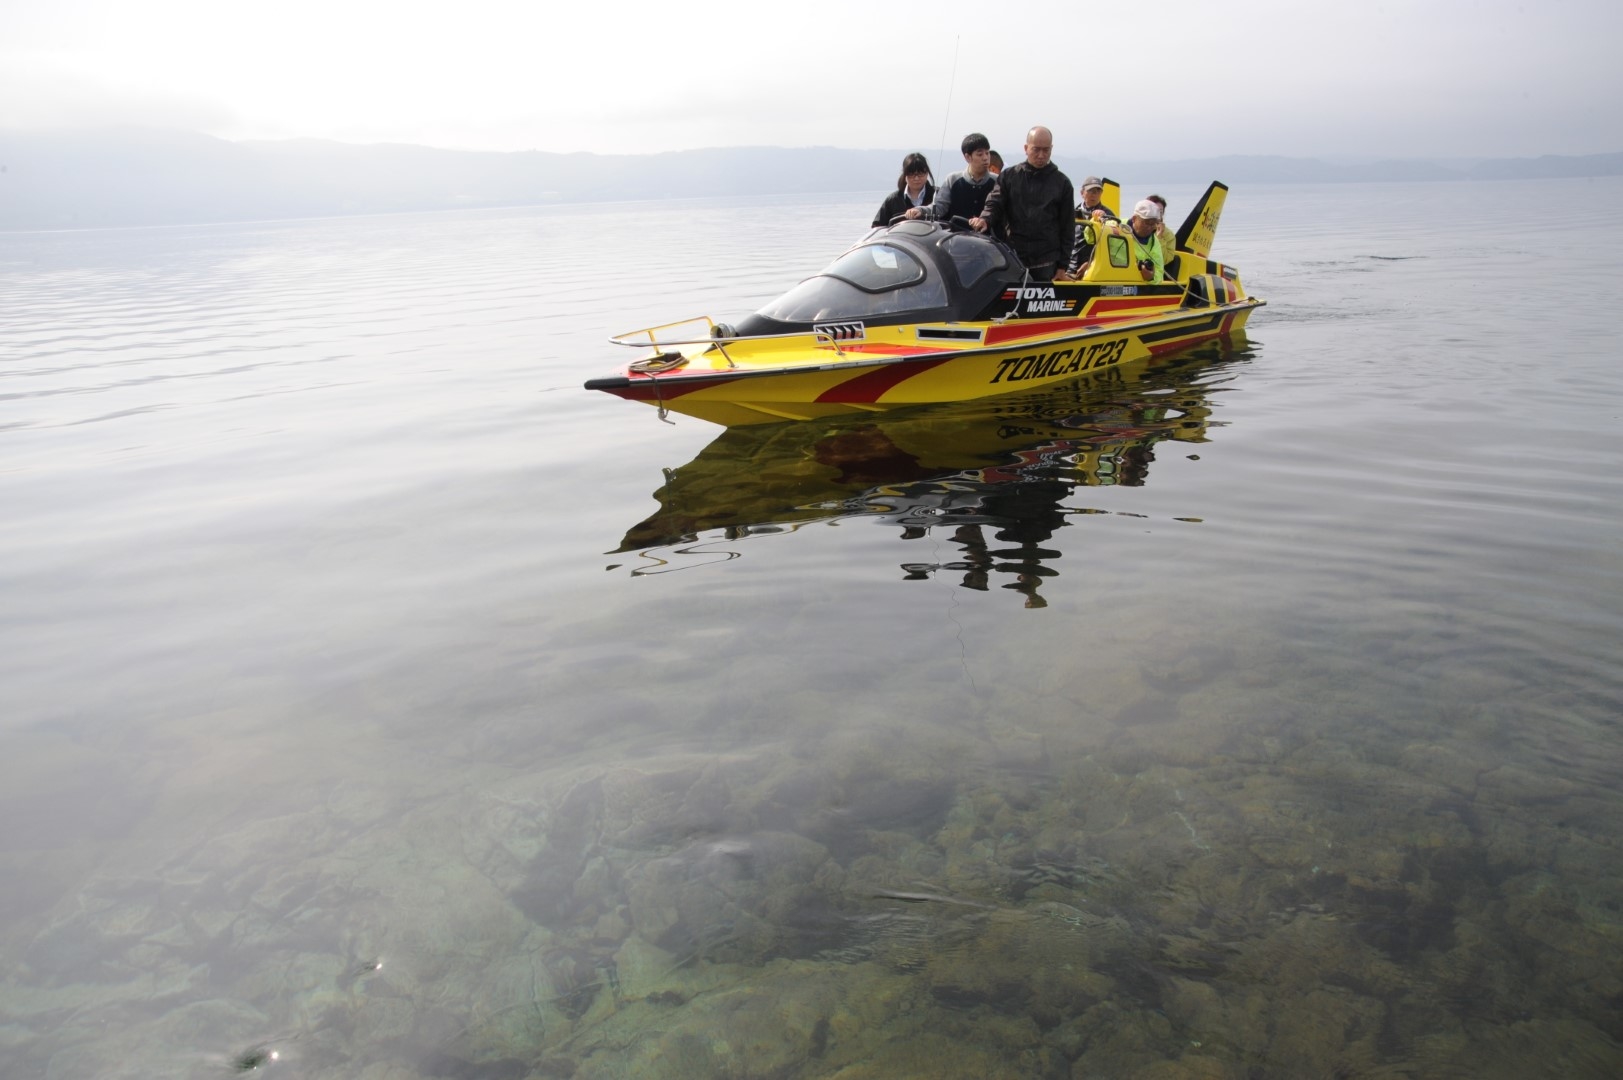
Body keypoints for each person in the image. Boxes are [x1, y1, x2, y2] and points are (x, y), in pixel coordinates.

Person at [970, 126, 1076, 282]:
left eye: (1046, 150)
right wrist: (985, 219)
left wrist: (1063, 266)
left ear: (1051, 149)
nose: (1041, 155)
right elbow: (995, 202)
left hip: (1047, 262)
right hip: (1014, 258)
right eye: (1036, 150)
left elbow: (1068, 227)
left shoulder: (1062, 183)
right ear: (1026, 148)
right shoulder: (1009, 176)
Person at [911, 132, 997, 222]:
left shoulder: (998, 181)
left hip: (987, 235)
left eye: (987, 153)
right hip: (955, 234)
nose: (985, 158)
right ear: (967, 157)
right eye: (980, 154)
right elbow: (940, 207)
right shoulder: (952, 180)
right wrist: (920, 210)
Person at [1068, 175, 1118, 272]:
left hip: (1095, 268)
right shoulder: (1072, 212)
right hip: (1070, 266)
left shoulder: (1108, 214)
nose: (1094, 195)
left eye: (1098, 191)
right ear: (1082, 193)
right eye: (1091, 191)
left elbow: (1112, 245)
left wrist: (1104, 220)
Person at [872, 153, 936, 228]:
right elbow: (877, 227)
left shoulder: (938, 196)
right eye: (912, 174)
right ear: (905, 175)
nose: (916, 178)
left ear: (927, 173)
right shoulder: (893, 200)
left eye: (920, 173)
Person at [1119, 199, 1167, 282]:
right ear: (1134, 219)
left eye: (1154, 224)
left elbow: (1159, 273)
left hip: (1131, 285)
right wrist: (1097, 216)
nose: (1150, 227)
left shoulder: (1154, 243)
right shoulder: (1117, 226)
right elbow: (1090, 238)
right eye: (1147, 223)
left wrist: (1151, 277)